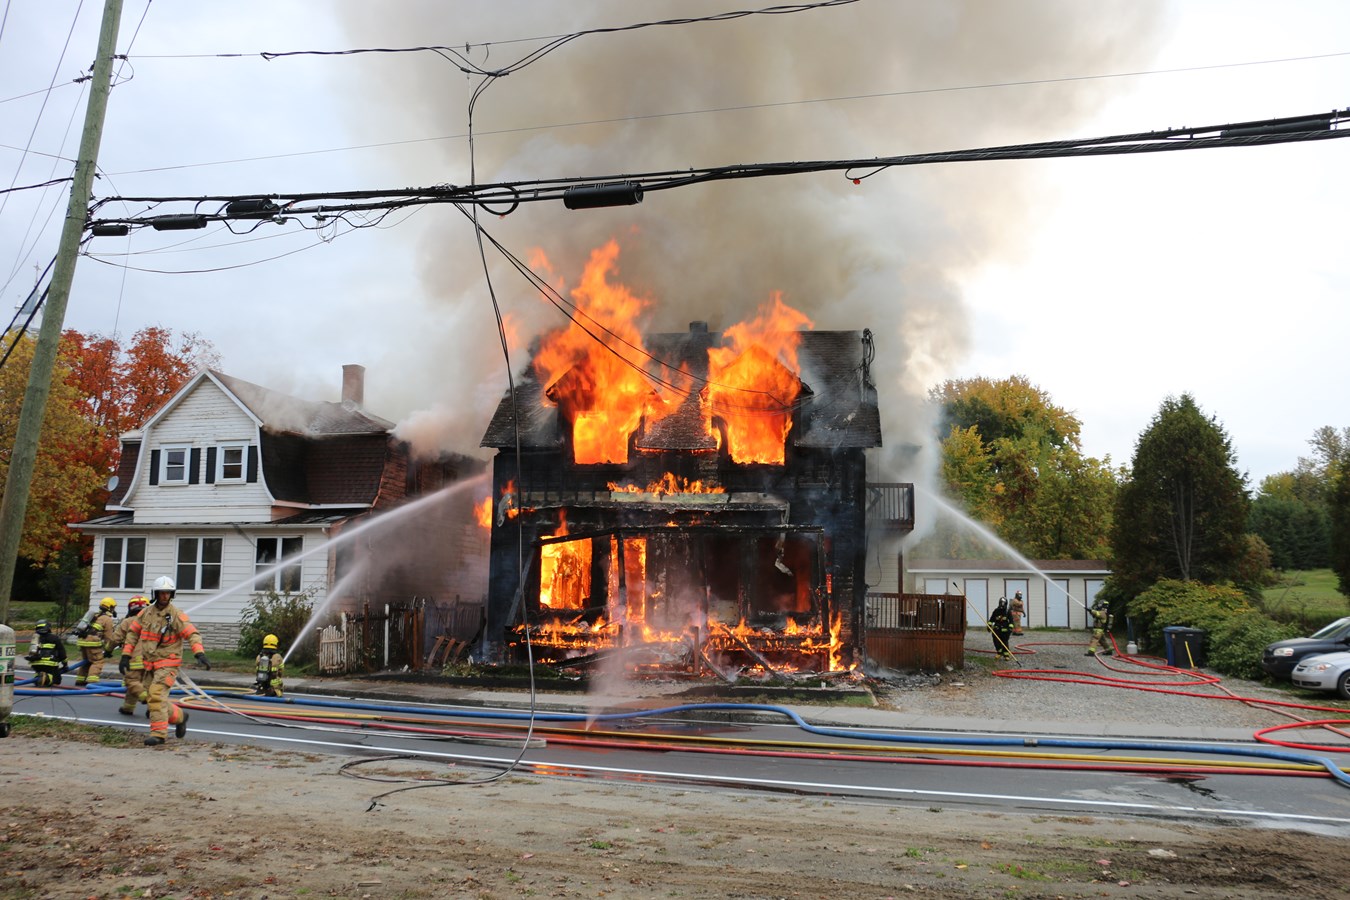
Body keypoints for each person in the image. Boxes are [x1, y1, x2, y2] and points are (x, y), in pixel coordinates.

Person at [120, 576, 210, 746]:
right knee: (154, 698)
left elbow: (192, 633)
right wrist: (125, 655)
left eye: (168, 593)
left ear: (172, 594)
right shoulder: (145, 613)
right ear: (156, 594)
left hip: (167, 664)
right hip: (149, 664)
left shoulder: (175, 615)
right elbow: (132, 633)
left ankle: (159, 734)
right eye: (162, 593)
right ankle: (180, 716)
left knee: (155, 695)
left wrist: (199, 653)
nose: (164, 596)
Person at [107, 596, 149, 716]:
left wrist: (108, 650)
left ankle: (147, 700)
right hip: (152, 659)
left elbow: (115, 639)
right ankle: (128, 708)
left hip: (134, 658)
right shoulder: (152, 622)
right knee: (148, 684)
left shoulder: (128, 621)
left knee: (131, 681)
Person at [74, 597, 118, 687]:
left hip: (83, 641)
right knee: (97, 661)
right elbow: (108, 637)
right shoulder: (107, 619)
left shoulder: (96, 616)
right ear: (110, 607)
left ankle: (80, 680)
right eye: (113, 607)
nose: (114, 610)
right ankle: (92, 681)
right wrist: (109, 649)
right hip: (92, 643)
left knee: (87, 661)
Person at [26, 620, 68, 687]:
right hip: (49, 664)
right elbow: (62, 652)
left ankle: (38, 677)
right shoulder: (54, 638)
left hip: (35, 663)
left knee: (39, 673)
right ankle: (47, 679)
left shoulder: (35, 638)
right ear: (48, 628)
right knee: (56, 681)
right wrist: (65, 664)